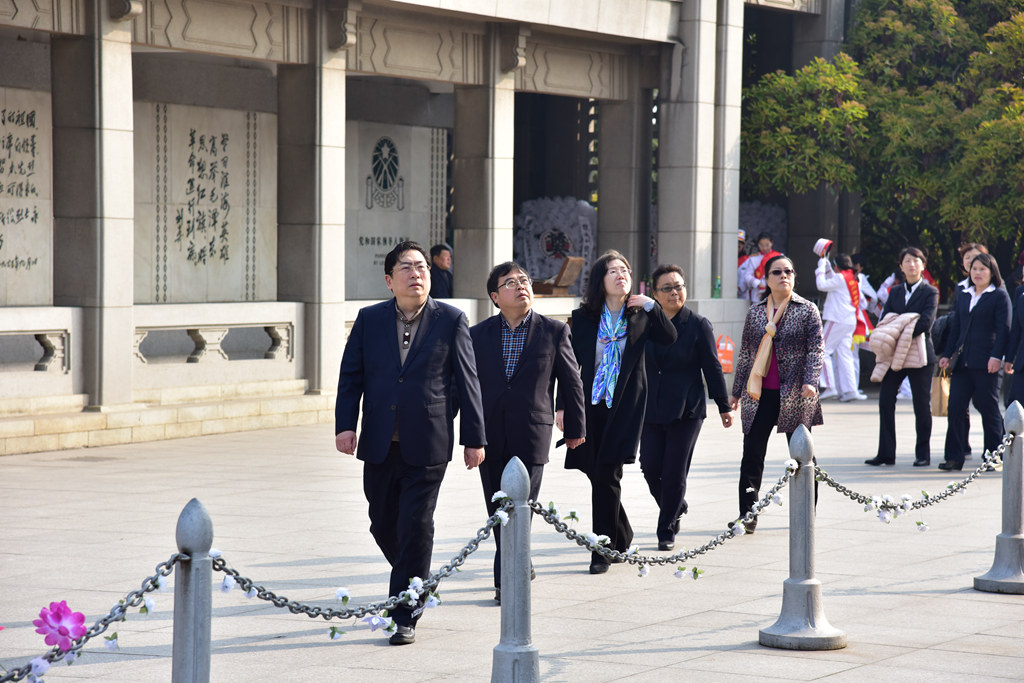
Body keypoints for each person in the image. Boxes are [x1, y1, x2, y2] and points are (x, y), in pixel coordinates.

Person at [335, 240, 486, 646]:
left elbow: (468, 381)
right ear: (389, 280)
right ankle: (418, 579)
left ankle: (403, 614)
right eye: (406, 267)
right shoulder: (369, 319)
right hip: (380, 441)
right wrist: (345, 425)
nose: (416, 273)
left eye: (422, 267)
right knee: (382, 521)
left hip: (429, 441)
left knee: (416, 525)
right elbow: (351, 375)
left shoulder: (450, 319)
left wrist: (474, 438)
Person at [470, 261, 586, 603]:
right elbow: (465, 387)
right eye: (510, 282)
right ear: (495, 296)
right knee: (498, 509)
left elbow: (571, 381)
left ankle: (506, 581)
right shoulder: (477, 335)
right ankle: (519, 565)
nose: (521, 285)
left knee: (521, 510)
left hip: (532, 433)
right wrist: (465, 435)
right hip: (490, 433)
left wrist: (576, 426)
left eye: (524, 280)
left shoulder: (554, 331)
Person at [563, 250, 676, 574]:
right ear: (600, 280)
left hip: (625, 407)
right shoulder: (583, 318)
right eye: (613, 270)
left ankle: (602, 550)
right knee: (597, 473)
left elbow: (669, 337)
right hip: (591, 405)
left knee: (608, 473)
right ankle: (622, 534)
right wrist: (562, 405)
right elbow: (570, 366)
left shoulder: (640, 315)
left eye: (625, 269)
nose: (621, 274)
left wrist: (653, 306)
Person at [640, 264, 733, 551]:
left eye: (678, 286)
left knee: (674, 470)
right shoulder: (644, 323)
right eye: (666, 288)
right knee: (649, 466)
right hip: (650, 408)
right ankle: (676, 505)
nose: (674, 292)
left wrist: (723, 405)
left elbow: (712, 367)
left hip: (687, 409)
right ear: (655, 294)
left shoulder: (697, 324)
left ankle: (666, 528)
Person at [729, 254, 823, 533]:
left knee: (803, 457)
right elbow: (746, 354)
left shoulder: (807, 310)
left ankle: (807, 514)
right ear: (767, 279)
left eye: (789, 271)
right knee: (752, 456)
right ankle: (748, 515)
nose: (784, 276)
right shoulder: (756, 312)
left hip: (795, 395)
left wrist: (811, 381)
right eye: (777, 272)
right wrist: (736, 392)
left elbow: (816, 349)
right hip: (759, 396)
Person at [865, 247, 939, 467]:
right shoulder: (895, 291)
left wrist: (897, 326)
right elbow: (886, 318)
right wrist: (904, 323)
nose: (912, 264)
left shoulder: (930, 291)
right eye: (907, 261)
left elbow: (925, 323)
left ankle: (923, 454)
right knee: (886, 401)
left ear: (923, 265)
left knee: (921, 405)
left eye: (916, 261)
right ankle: (886, 453)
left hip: (919, 354)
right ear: (901, 266)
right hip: (895, 353)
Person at [938, 252, 1011, 471]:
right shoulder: (964, 294)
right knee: (955, 408)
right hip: (963, 362)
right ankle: (954, 457)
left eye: (982, 269)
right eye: (974, 269)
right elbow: (956, 328)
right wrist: (947, 354)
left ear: (992, 272)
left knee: (989, 409)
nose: (977, 273)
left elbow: (1004, 330)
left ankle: (993, 456)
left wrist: (997, 357)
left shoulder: (999, 296)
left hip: (987, 362)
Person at [815, 251, 867, 402]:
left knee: (822, 350)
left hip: (837, 318)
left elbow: (821, 285)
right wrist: (827, 267)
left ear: (837, 267)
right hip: (849, 319)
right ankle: (851, 390)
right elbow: (834, 281)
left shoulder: (840, 278)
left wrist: (820, 267)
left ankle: (829, 387)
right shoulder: (852, 277)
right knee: (845, 355)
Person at [738, 232, 782, 303]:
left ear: (772, 243)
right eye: (761, 245)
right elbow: (747, 276)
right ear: (758, 244)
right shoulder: (753, 258)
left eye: (767, 245)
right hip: (757, 294)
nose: (764, 248)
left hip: (774, 292)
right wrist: (757, 283)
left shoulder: (779, 257)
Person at [1005, 264, 1024, 408]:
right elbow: (1016, 328)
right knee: (1014, 406)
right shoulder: (1020, 292)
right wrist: (1009, 358)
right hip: (1022, 363)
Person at [737, 229, 751, 299]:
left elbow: (747, 278)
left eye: (741, 243)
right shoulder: (725, 259)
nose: (738, 245)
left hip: (743, 296)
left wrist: (739, 288)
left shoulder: (748, 260)